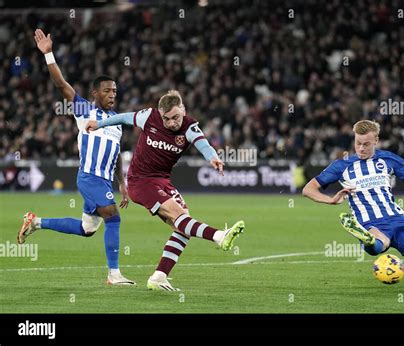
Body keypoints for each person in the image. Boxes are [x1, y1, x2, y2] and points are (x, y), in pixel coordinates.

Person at [85, 90, 245, 291]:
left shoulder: (189, 126)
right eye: (166, 119)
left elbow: (202, 143)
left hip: (162, 182)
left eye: (175, 117)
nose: (171, 123)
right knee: (180, 216)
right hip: (140, 182)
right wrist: (99, 124)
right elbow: (124, 117)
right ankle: (219, 236)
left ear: (183, 111)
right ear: (160, 115)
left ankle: (159, 276)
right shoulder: (149, 117)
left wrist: (212, 156)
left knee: (184, 225)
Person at [17, 29, 135, 285]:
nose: (113, 94)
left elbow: (115, 155)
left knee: (88, 229)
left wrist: (122, 184)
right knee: (113, 217)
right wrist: (48, 55)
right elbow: (62, 86)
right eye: (107, 91)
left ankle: (35, 222)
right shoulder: (85, 110)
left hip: (105, 181)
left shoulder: (117, 123)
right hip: (89, 177)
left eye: (114, 90)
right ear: (95, 94)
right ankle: (114, 275)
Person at [302, 120, 404, 287]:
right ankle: (366, 238)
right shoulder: (342, 166)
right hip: (371, 223)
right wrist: (331, 200)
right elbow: (308, 189)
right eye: (358, 143)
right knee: (378, 243)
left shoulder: (388, 159)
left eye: (366, 144)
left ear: (376, 140)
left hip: (399, 221)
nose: (361, 148)